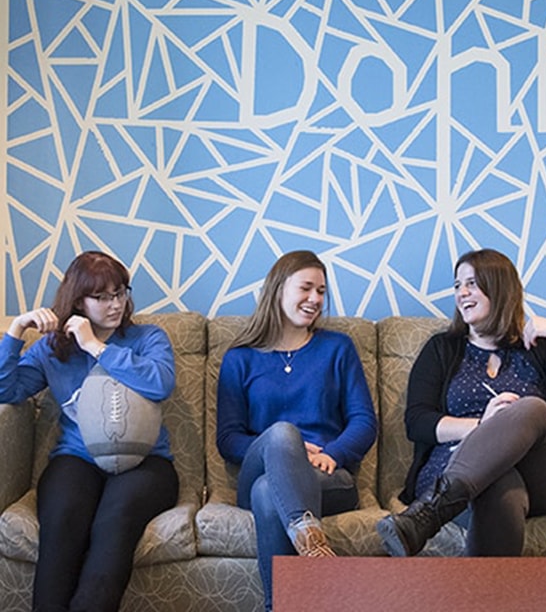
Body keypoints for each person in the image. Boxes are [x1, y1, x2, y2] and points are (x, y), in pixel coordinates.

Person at [376, 248, 546, 558]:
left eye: (472, 284)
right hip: (456, 464)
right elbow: (418, 422)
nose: (461, 293)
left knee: (532, 407)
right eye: (457, 285)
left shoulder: (537, 348)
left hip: (540, 473)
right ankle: (490, 600)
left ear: (500, 288)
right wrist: (483, 426)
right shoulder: (441, 349)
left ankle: (431, 512)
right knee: (497, 482)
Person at [0, 251, 179, 612]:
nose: (116, 304)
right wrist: (15, 332)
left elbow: (160, 383)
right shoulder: (53, 350)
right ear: (77, 301)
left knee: (114, 520)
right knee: (64, 519)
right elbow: (6, 390)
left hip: (146, 463)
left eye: (121, 292)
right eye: (102, 297)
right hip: (76, 459)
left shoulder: (148, 338)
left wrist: (95, 347)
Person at [216, 250, 377, 612]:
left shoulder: (338, 349)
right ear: (277, 290)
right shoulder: (240, 358)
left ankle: (280, 603)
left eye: (321, 291)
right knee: (280, 435)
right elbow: (228, 439)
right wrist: (286, 449)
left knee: (266, 494)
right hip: (262, 464)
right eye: (306, 288)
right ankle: (310, 539)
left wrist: (333, 454)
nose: (315, 299)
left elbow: (364, 421)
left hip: (327, 476)